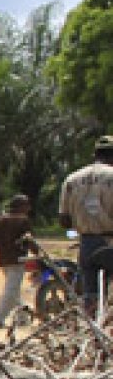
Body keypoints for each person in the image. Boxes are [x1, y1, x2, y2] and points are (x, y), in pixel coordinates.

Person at [59, 135, 113, 315]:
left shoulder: (71, 179)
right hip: (110, 241)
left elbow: (64, 220)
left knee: (90, 294)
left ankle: (93, 332)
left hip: (87, 244)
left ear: (94, 154)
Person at [0, 195, 33, 328]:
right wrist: (39, 255)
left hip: (3, 260)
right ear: (21, 207)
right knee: (11, 291)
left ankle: (22, 317)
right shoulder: (23, 221)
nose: (29, 208)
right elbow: (30, 241)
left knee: (13, 290)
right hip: (17, 260)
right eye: (26, 205)